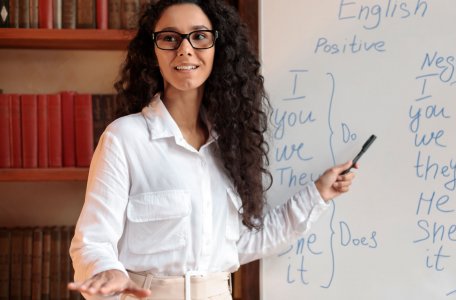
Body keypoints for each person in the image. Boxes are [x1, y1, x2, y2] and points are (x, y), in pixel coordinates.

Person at [67, 0, 358, 299]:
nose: (185, 49)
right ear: (152, 51)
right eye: (169, 38)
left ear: (219, 47)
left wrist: (318, 194)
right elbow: (91, 242)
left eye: (199, 36)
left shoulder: (230, 147)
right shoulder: (125, 138)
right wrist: (108, 271)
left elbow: (241, 245)